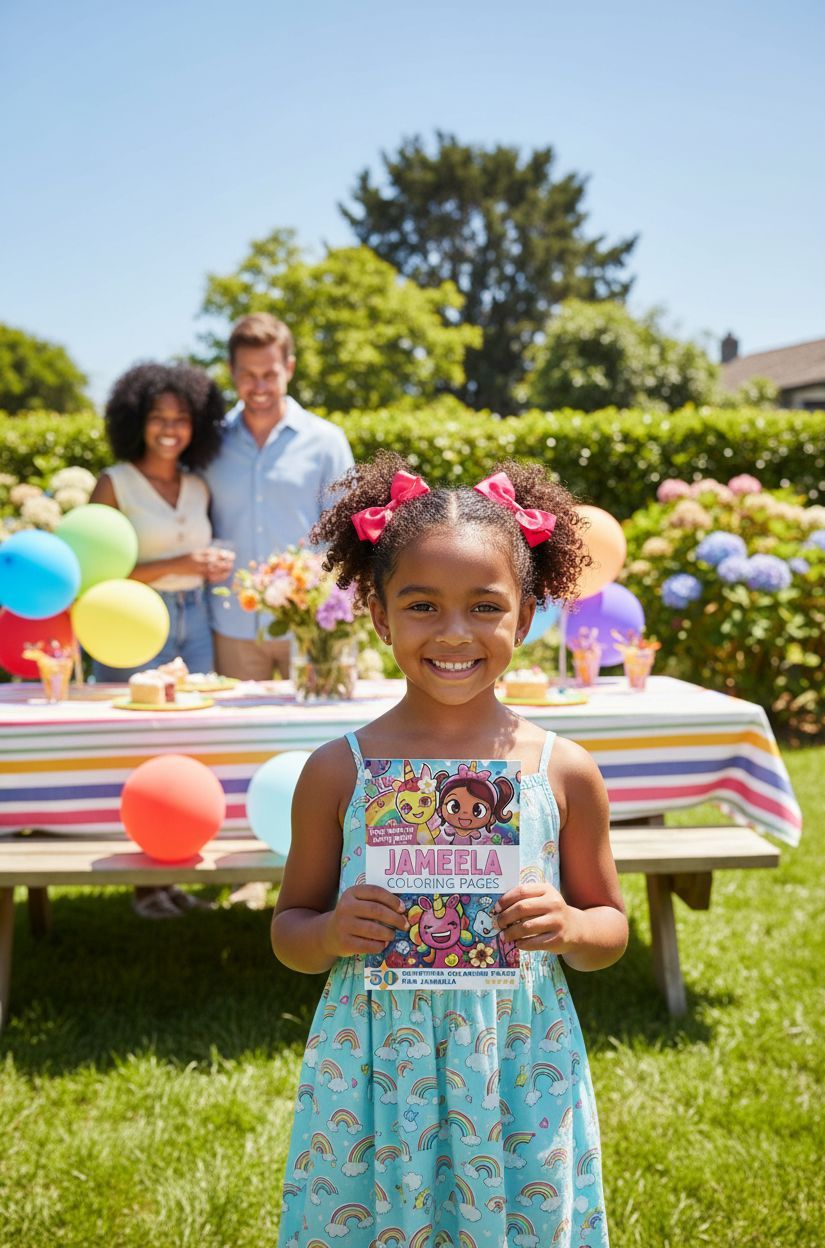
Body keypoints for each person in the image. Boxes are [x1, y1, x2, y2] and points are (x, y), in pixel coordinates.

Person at [271, 451, 629, 1246]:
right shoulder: (339, 771)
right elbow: (289, 929)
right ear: (377, 613)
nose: (455, 633)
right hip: (370, 1078)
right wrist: (328, 932)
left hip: (516, 1072)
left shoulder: (562, 770)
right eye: (423, 605)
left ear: (526, 616)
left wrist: (570, 926)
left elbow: (611, 929)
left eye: (485, 607)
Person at [89, 361, 231, 919]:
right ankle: (143, 886)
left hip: (195, 618)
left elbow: (196, 556)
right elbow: (99, 576)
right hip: (133, 621)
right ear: (136, 421)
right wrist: (182, 562)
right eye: (157, 417)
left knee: (191, 736)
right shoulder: (114, 482)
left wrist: (207, 568)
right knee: (139, 740)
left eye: (181, 418)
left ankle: (172, 872)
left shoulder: (198, 485)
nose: (170, 428)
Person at [201, 312, 354, 681]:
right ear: (231, 371)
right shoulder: (210, 443)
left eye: (269, 374)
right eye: (247, 375)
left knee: (322, 735)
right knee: (237, 739)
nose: (259, 387)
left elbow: (349, 534)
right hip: (231, 624)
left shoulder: (326, 442)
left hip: (312, 626)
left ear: (289, 367)